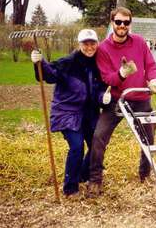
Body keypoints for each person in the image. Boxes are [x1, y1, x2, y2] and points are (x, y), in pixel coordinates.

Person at [87, 7, 156, 197]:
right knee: (98, 137)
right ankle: (95, 180)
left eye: (126, 23)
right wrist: (121, 73)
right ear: (112, 23)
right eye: (118, 22)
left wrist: (153, 80)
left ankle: (145, 175)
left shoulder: (139, 42)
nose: (122, 26)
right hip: (117, 101)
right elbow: (106, 78)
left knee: (148, 139)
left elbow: (151, 65)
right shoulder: (103, 48)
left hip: (140, 98)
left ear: (130, 24)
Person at [31, 29, 111, 198]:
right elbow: (49, 75)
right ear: (79, 44)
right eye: (85, 43)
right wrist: (39, 62)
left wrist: (103, 96)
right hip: (67, 112)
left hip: (89, 113)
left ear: (97, 44)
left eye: (92, 43)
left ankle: (83, 173)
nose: (89, 47)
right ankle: (70, 188)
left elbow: (99, 90)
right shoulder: (69, 62)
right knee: (76, 146)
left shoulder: (98, 64)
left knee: (98, 144)